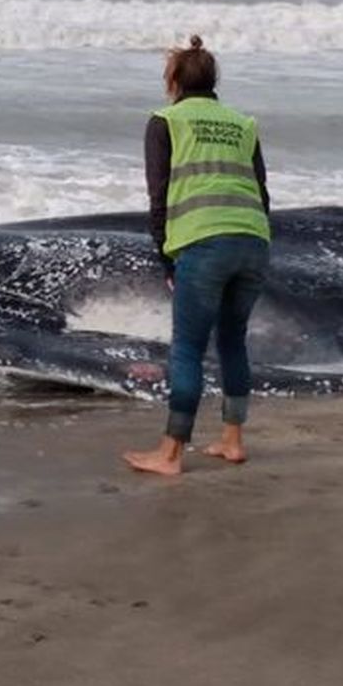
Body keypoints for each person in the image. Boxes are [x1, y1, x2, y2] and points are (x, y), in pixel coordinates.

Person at [123, 35, 271, 477]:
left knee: (187, 347)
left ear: (173, 80)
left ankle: (169, 455)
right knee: (232, 341)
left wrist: (167, 261)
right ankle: (232, 441)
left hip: (203, 242)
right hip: (253, 239)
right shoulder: (243, 124)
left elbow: (159, 197)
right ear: (213, 80)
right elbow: (261, 191)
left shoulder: (166, 121)